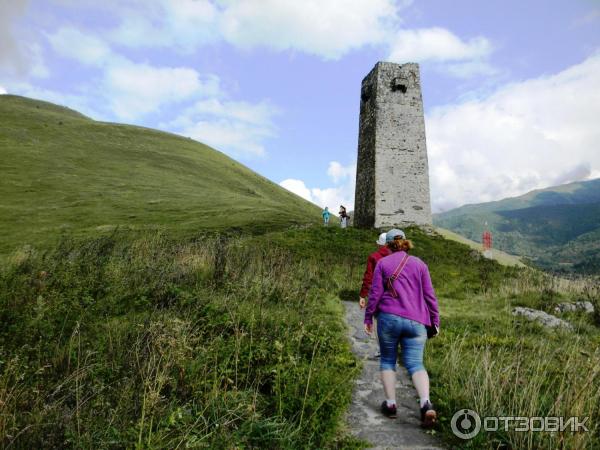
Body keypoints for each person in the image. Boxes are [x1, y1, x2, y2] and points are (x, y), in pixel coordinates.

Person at [364, 229, 440, 427]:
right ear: (405, 243)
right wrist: (435, 321)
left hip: (389, 319)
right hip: (417, 321)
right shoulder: (420, 264)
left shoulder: (382, 263)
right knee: (416, 363)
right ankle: (425, 404)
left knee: (388, 360)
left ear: (387, 245)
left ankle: (390, 405)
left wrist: (368, 318)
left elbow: (375, 294)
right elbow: (430, 296)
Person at [358, 232, 390, 309]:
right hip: (394, 294)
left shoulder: (373, 257)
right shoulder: (398, 257)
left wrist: (363, 295)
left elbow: (368, 277)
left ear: (379, 244)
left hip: (377, 292)